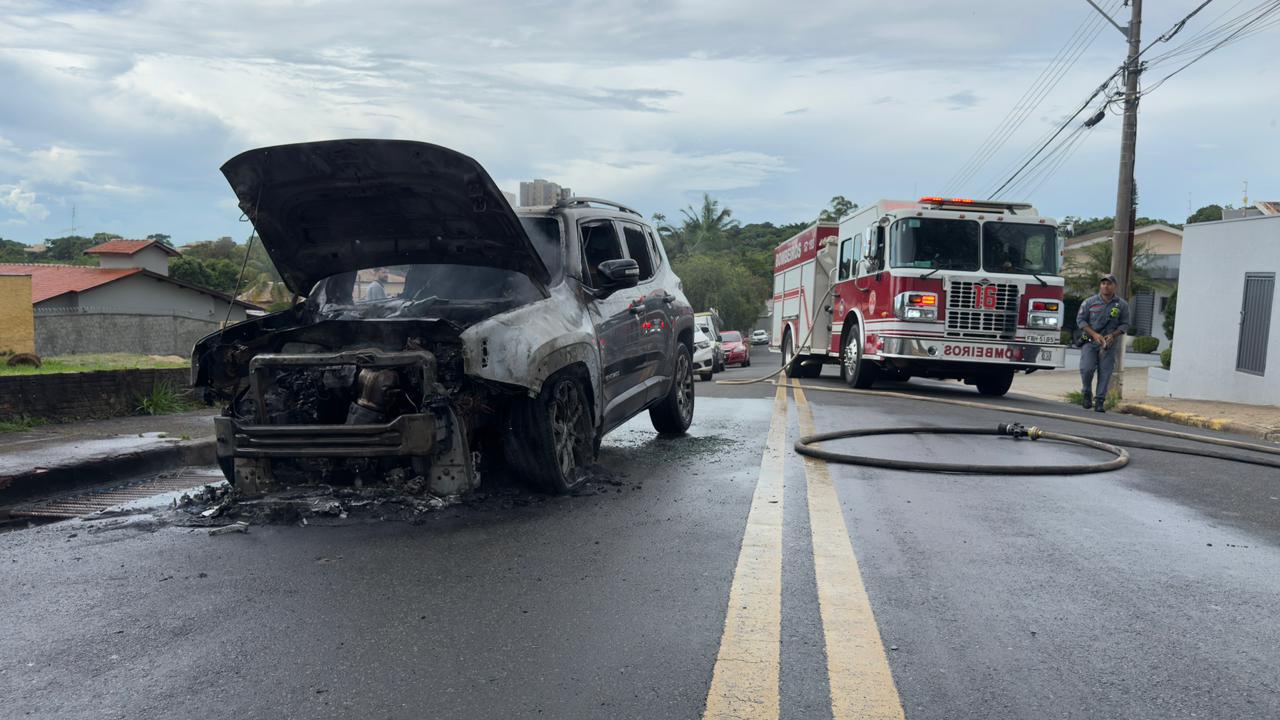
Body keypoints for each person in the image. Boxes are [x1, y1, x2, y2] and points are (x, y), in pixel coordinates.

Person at [1076, 273, 1130, 412]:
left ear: (1114, 286)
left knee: (1105, 372)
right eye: (1103, 283)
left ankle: (1100, 400)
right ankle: (1086, 392)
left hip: (1109, 344)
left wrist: (1113, 335)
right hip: (1090, 341)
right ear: (1100, 285)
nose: (1106, 286)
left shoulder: (1122, 305)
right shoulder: (1089, 302)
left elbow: (1125, 324)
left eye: (1109, 284)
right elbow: (1081, 320)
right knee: (1086, 369)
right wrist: (1094, 334)